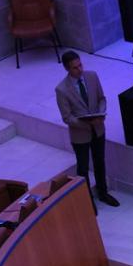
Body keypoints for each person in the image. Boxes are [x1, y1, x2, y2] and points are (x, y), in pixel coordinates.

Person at [55, 50, 119, 208]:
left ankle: (103, 192)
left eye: (80, 65)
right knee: (83, 167)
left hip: (98, 129)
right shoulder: (62, 90)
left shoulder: (92, 76)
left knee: (99, 161)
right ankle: (87, 200)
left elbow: (101, 99)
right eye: (75, 67)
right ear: (67, 69)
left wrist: (102, 113)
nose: (80, 69)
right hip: (80, 135)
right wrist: (88, 123)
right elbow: (67, 117)